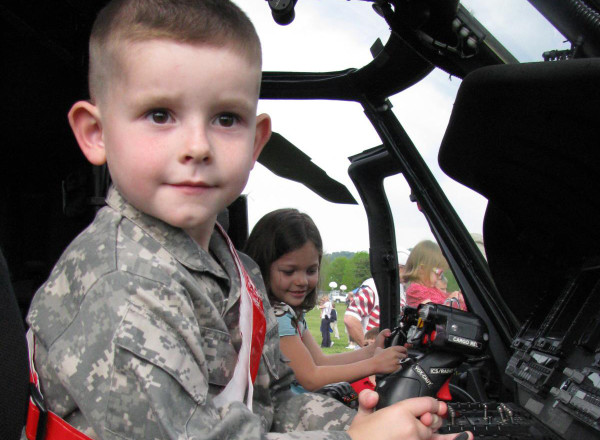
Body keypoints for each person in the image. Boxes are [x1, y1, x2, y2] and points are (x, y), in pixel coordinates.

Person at [24, 2, 472, 439]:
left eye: (225, 118)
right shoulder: (119, 280)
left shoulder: (243, 273)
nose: (197, 146)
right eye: (160, 115)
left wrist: (359, 425)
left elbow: (272, 402)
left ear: (255, 142)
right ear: (96, 134)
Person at [244, 209, 408, 393]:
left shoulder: (291, 314)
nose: (302, 281)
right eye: (289, 271)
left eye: (311, 270)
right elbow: (312, 378)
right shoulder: (276, 316)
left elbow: (321, 361)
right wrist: (374, 364)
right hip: (285, 407)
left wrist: (372, 351)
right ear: (262, 267)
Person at [404, 240, 467, 311]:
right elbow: (435, 312)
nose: (439, 277)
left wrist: (459, 297)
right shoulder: (416, 291)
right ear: (422, 269)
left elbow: (443, 298)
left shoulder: (432, 288)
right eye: (438, 273)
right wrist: (452, 301)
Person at [344, 278, 380, 348]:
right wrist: (367, 349)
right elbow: (350, 319)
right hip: (375, 350)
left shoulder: (399, 286)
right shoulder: (374, 286)